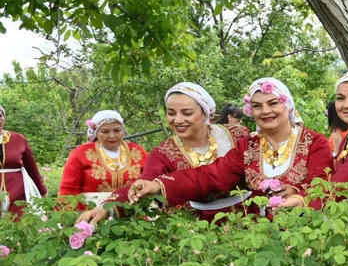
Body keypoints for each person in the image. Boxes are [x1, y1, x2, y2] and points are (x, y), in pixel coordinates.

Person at [128, 78, 331, 211]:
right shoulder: (247, 146)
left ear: (287, 106)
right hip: (256, 234)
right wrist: (158, 185)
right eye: (257, 106)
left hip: (305, 232)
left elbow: (322, 183)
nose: (265, 111)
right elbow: (210, 176)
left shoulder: (314, 142)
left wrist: (299, 195)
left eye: (273, 103)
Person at [78, 83, 250, 225]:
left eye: (187, 113)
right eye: (171, 113)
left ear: (205, 112)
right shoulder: (163, 153)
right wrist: (108, 205)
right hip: (194, 226)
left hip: (249, 216)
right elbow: (144, 184)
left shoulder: (237, 135)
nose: (178, 120)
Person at [58, 111, 148, 205]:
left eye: (117, 130)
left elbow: (150, 181)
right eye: (105, 132)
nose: (112, 136)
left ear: (123, 131)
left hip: (133, 211)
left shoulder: (138, 151)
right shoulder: (80, 153)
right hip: (89, 212)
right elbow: (68, 190)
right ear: (96, 133)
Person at [0, 104, 47, 216]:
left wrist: (42, 190)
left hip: (17, 189)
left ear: (4, 118)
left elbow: (31, 167)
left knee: (17, 219)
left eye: (0, 115)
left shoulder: (18, 139)